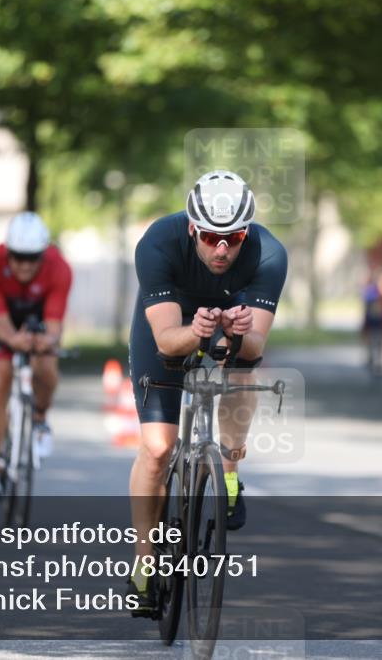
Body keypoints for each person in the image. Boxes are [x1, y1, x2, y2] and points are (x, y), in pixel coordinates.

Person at [125, 170, 287, 615]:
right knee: (157, 450)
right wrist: (196, 333)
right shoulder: (159, 241)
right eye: (212, 236)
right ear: (193, 227)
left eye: (233, 237)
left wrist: (235, 336)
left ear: (247, 232)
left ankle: (229, 472)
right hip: (170, 329)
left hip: (228, 327)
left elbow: (255, 347)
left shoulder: (269, 254)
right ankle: (144, 564)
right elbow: (163, 340)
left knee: (241, 369)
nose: (222, 248)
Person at [0, 212, 72, 497]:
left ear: (43, 254)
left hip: (39, 313)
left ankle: (40, 416)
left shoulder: (59, 268)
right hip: (1, 316)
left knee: (46, 366)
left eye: (32, 258)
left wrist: (47, 341)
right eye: (17, 257)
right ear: (7, 252)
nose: (24, 265)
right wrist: (13, 339)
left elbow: (54, 324)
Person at [362, 269, 382, 376]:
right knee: (372, 341)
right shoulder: (371, 292)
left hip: (379, 322)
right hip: (372, 321)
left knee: (380, 342)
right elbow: (367, 308)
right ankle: (371, 358)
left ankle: (379, 362)